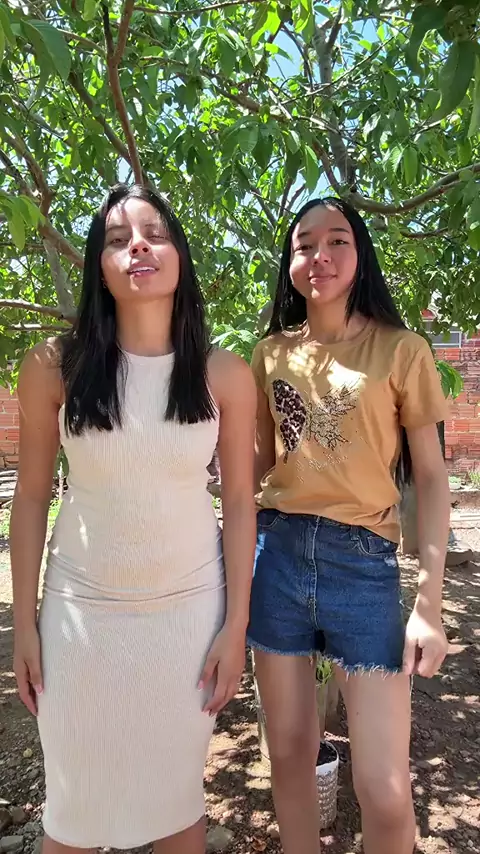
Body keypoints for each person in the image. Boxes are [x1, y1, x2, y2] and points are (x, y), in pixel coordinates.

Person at [10, 184, 256, 853]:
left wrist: (236, 625)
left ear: (180, 257)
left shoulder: (224, 375)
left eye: (154, 234)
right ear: (99, 265)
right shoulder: (52, 368)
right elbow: (31, 497)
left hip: (187, 620)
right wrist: (24, 624)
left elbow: (240, 501)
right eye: (118, 240)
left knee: (176, 805)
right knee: (73, 813)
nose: (138, 247)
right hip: (79, 619)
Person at [248, 197, 450, 854]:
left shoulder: (401, 350)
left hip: (363, 565)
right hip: (276, 556)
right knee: (289, 755)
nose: (320, 255)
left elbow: (431, 477)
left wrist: (430, 603)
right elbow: (256, 467)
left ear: (360, 255)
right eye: (304, 244)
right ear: (290, 263)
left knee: (384, 789)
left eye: (337, 240)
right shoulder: (269, 354)